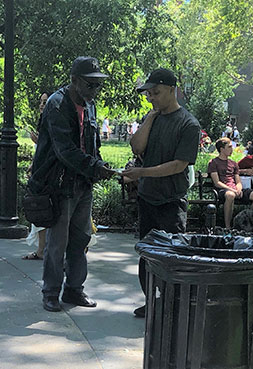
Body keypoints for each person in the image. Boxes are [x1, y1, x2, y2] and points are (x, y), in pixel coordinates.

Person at [28, 56, 114, 312]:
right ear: (74, 80)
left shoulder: (90, 106)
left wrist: (98, 165)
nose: (94, 90)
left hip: (82, 183)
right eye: (90, 84)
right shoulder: (57, 105)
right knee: (58, 241)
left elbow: (92, 143)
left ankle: (74, 290)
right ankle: (51, 292)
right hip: (59, 184)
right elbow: (64, 150)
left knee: (81, 239)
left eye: (98, 85)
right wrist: (94, 166)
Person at [121, 68, 200, 318]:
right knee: (146, 255)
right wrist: (150, 118)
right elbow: (136, 147)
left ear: (171, 90)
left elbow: (179, 165)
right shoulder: (152, 118)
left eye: (155, 93)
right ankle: (151, 302)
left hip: (172, 202)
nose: (151, 97)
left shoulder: (188, 124)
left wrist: (142, 173)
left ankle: (172, 307)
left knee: (171, 257)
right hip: (148, 199)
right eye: (149, 94)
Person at [208, 137, 253, 229]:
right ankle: (228, 227)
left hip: (235, 189)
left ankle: (247, 222)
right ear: (221, 149)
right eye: (229, 147)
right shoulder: (213, 163)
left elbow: (238, 181)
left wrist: (239, 188)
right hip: (223, 190)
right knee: (230, 195)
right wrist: (232, 189)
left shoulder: (233, 164)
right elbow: (217, 182)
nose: (231, 149)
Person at [23, 91, 50, 261]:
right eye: (41, 102)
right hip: (40, 171)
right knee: (39, 211)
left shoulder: (54, 121)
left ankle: (43, 250)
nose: (42, 105)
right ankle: (41, 249)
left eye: (45, 102)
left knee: (42, 209)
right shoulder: (44, 121)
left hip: (47, 175)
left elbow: (50, 147)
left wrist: (38, 142)